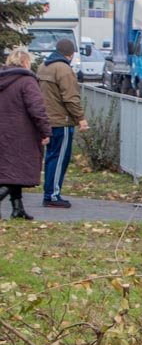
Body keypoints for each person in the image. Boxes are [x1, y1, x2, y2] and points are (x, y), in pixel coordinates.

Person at [0, 49, 52, 219]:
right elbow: (37, 109)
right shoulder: (27, 81)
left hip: (4, 133)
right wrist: (45, 130)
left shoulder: (2, 79)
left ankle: (18, 208)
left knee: (10, 171)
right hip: (21, 134)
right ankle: (16, 208)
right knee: (16, 172)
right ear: (25, 63)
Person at [37, 37, 88, 207]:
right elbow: (70, 98)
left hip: (47, 120)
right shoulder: (64, 70)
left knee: (51, 157)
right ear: (70, 54)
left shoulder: (43, 66)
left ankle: (49, 192)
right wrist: (80, 118)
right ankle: (52, 195)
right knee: (60, 159)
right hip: (61, 121)